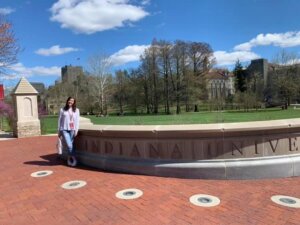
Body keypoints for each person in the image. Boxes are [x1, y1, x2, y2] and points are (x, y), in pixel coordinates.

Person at [58, 97, 80, 166]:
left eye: (72, 101)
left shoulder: (76, 110)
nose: (71, 101)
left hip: (72, 129)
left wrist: (76, 130)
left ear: (74, 102)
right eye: (70, 100)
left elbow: (77, 121)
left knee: (71, 145)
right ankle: (74, 158)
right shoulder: (62, 110)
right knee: (69, 145)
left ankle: (69, 159)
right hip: (64, 129)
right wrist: (58, 131)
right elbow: (59, 121)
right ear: (67, 101)